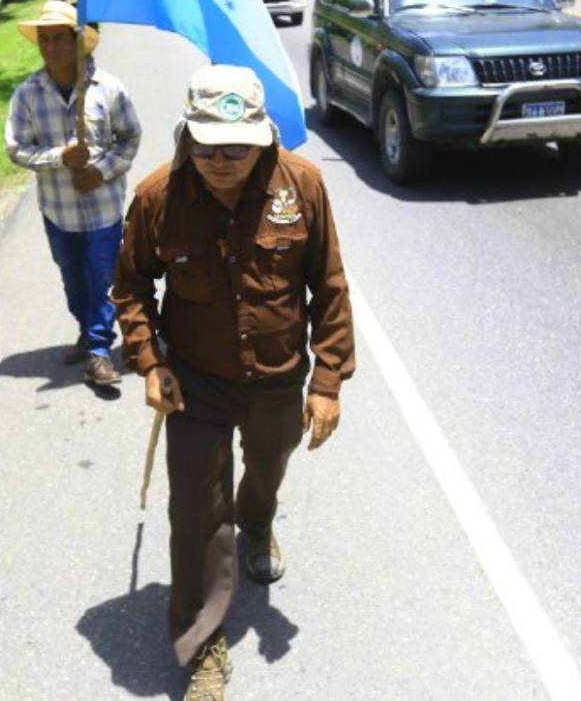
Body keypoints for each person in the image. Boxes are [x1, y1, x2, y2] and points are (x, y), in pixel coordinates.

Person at [112, 64, 355, 699]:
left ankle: (259, 520)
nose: (221, 162)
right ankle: (202, 645)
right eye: (207, 147)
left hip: (278, 378)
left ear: (263, 137)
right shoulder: (158, 196)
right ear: (186, 136)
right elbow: (131, 288)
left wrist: (327, 381)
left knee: (268, 468)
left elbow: (329, 285)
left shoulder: (301, 185)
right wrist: (151, 362)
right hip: (195, 383)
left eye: (237, 149)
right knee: (196, 511)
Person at [5, 0, 141, 385]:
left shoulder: (108, 89)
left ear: (78, 42)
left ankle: (99, 351)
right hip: (58, 210)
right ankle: (87, 328)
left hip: (103, 209)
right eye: (44, 40)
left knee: (103, 278)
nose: (51, 47)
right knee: (73, 279)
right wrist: (60, 157)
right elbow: (16, 148)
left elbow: (129, 138)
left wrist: (101, 171)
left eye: (59, 39)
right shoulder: (27, 94)